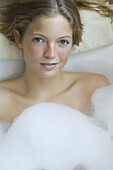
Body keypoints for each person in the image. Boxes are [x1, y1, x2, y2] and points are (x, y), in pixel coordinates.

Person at [0, 0, 112, 122]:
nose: (51, 54)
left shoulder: (95, 88)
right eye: (39, 40)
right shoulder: (2, 102)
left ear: (73, 42)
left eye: (63, 42)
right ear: (19, 38)